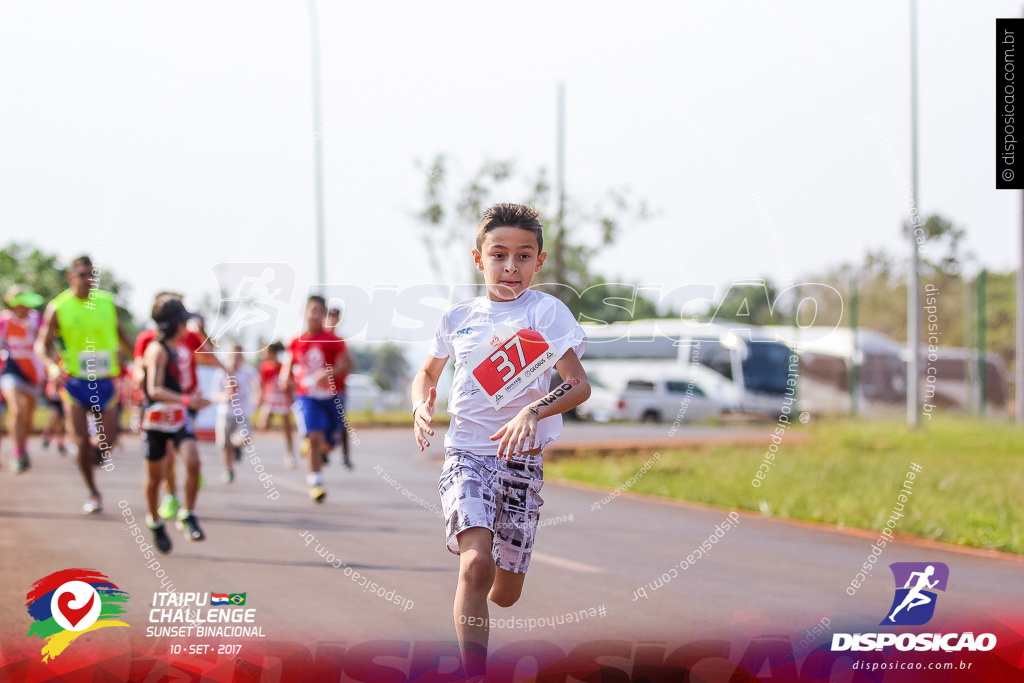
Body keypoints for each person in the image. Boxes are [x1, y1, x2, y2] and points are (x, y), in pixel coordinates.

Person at [411, 203, 590, 677]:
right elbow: (427, 373)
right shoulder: (457, 317)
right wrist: (420, 405)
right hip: (466, 456)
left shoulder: (547, 314)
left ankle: (492, 583)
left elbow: (578, 383)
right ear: (479, 259)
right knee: (474, 566)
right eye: (499, 255)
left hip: (521, 465)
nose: (511, 266)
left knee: (504, 593)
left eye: (523, 256)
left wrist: (532, 410)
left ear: (539, 261)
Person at [36, 256, 133, 513]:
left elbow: (123, 339)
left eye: (93, 274)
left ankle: (94, 454)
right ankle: (93, 492)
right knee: (80, 441)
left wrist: (141, 362)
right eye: (83, 274)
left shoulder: (106, 302)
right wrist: (52, 367)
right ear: (71, 277)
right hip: (75, 382)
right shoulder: (58, 307)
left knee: (107, 441)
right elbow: (40, 346)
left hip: (104, 381)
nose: (89, 279)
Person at [132, 294, 220, 519]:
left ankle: (187, 514)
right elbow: (152, 387)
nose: (187, 325)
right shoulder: (155, 347)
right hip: (158, 416)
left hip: (181, 412)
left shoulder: (187, 339)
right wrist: (186, 399)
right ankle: (159, 513)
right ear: (174, 323)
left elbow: (209, 355)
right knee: (158, 472)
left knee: (192, 459)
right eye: (183, 320)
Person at [281, 295, 353, 503]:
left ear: (324, 315)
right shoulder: (296, 341)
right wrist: (285, 378)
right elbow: (289, 364)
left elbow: (348, 364)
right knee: (314, 436)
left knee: (330, 443)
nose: (315, 315)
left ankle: (319, 448)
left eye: (320, 311)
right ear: (304, 313)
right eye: (311, 310)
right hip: (307, 397)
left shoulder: (334, 341)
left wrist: (327, 373)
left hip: (331, 396)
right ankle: (316, 482)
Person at [0, 286, 46, 473]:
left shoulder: (36, 319)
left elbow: (47, 341)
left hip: (34, 374)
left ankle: (23, 446)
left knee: (27, 418)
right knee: (17, 410)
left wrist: (34, 332)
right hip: (10, 371)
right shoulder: (3, 320)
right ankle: (17, 453)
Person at [210, 344, 259, 483]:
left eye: (238, 356)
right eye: (233, 356)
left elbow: (257, 388)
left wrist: (256, 401)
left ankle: (236, 447)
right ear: (227, 356)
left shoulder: (248, 372)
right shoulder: (221, 373)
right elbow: (214, 395)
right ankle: (228, 469)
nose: (236, 359)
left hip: (242, 413)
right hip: (225, 413)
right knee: (223, 445)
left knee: (245, 438)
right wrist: (225, 397)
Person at [255, 341, 295, 469]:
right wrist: (260, 398)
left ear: (271, 353)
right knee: (263, 425)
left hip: (282, 398)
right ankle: (242, 443)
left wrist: (291, 395)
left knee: (286, 428)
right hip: (270, 399)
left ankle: (290, 454)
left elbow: (291, 383)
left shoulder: (283, 366)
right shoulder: (264, 367)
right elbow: (261, 384)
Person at [324, 306, 352, 469]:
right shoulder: (317, 339)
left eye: (334, 317)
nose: (331, 320)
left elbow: (347, 364)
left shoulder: (339, 342)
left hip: (338, 386)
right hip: (320, 389)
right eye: (329, 317)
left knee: (341, 422)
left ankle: (345, 455)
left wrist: (333, 371)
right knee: (321, 421)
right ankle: (323, 451)